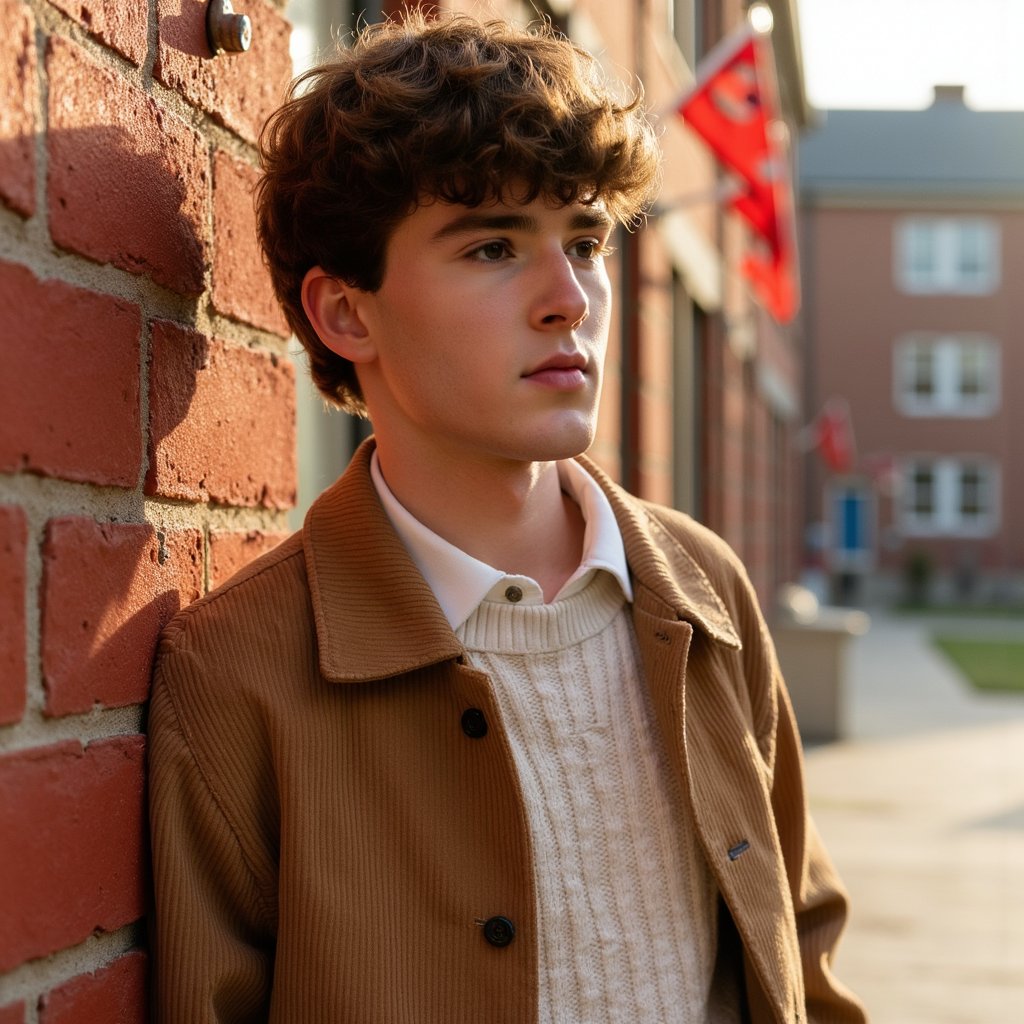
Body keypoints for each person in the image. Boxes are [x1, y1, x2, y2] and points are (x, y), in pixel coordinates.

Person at [148, 11, 866, 1023]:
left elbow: (801, 941)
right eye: (493, 246)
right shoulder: (236, 671)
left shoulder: (703, 587)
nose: (569, 298)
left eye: (586, 241)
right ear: (346, 312)